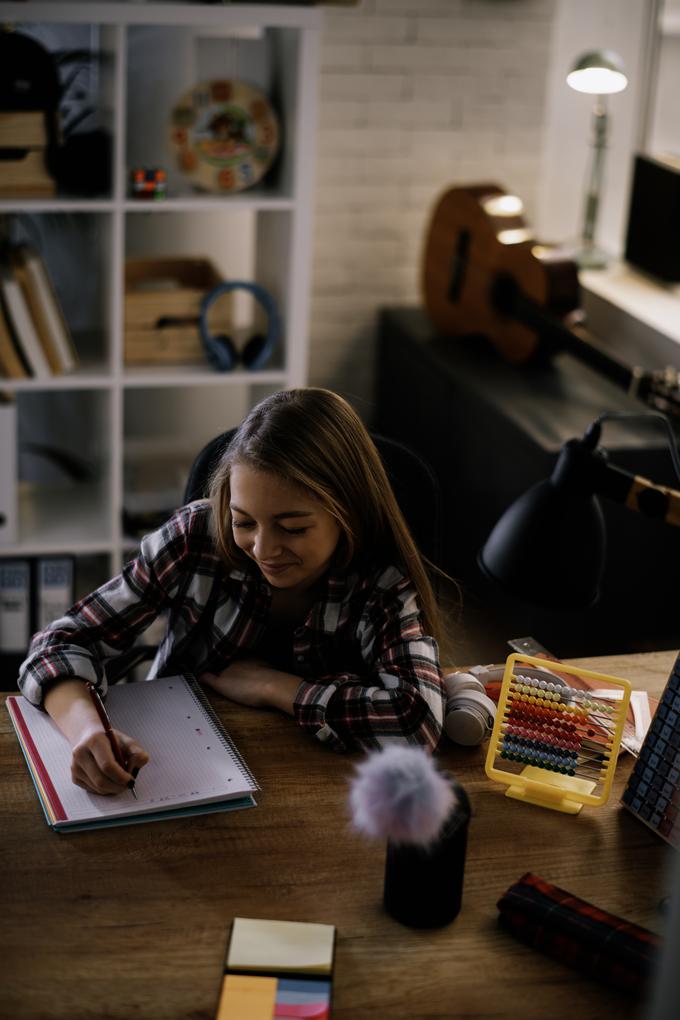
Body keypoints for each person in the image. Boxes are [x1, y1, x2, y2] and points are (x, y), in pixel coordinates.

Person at [17, 388, 448, 795]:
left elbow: (418, 724)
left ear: (347, 513)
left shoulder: (381, 583)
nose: (263, 549)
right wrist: (88, 729)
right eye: (244, 522)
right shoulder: (195, 537)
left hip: (322, 791)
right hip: (177, 771)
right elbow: (59, 643)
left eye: (292, 527)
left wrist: (276, 687)